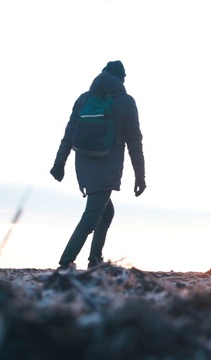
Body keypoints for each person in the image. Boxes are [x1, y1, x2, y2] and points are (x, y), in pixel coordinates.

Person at [50, 60, 146, 270]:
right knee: (92, 216)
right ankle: (65, 262)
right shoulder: (126, 102)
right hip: (107, 165)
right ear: (121, 79)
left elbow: (68, 135)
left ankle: (95, 259)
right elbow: (134, 142)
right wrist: (141, 177)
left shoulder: (84, 99)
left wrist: (59, 164)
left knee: (106, 211)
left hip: (83, 163)